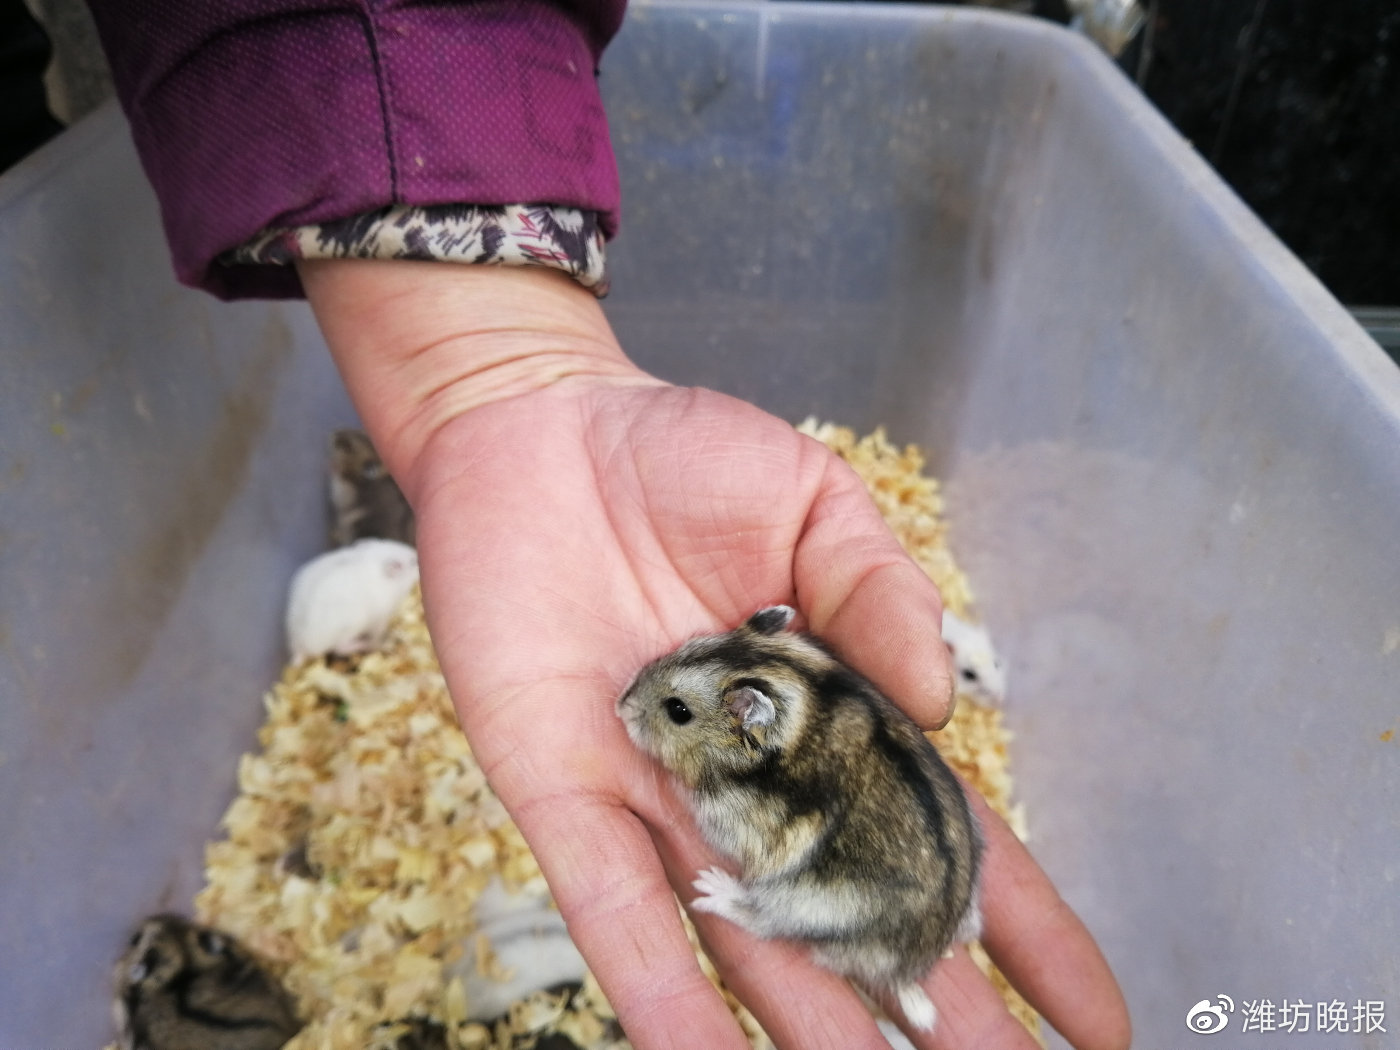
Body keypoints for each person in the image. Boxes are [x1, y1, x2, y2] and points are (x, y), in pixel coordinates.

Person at [83, 1, 1131, 1046]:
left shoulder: (766, 786)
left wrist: (490, 355)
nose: (641, 707)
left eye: (678, 715)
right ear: (769, 630)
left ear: (750, 732)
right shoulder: (771, 712)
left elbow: (764, 833)